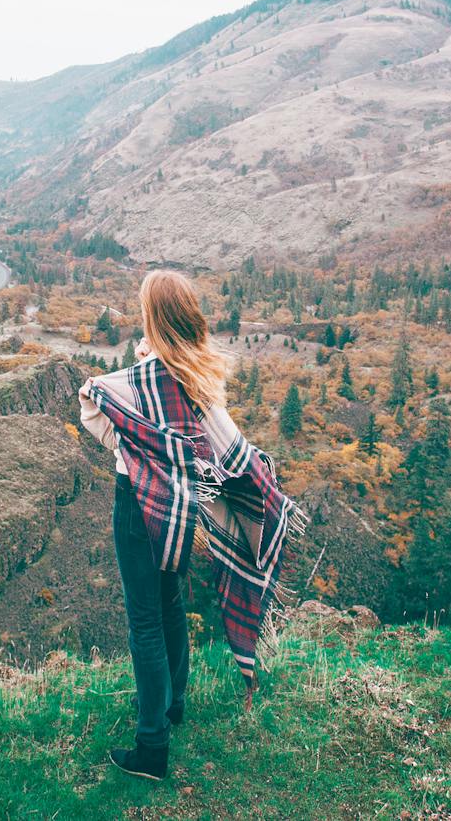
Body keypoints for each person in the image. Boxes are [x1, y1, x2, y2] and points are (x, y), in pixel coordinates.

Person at [78, 269, 298, 782]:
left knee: (145, 623)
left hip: (138, 505)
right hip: (183, 509)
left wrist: (137, 450)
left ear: (153, 316)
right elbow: (224, 440)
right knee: (171, 603)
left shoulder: (140, 380)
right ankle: (174, 704)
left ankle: (151, 747)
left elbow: (94, 407)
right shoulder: (196, 372)